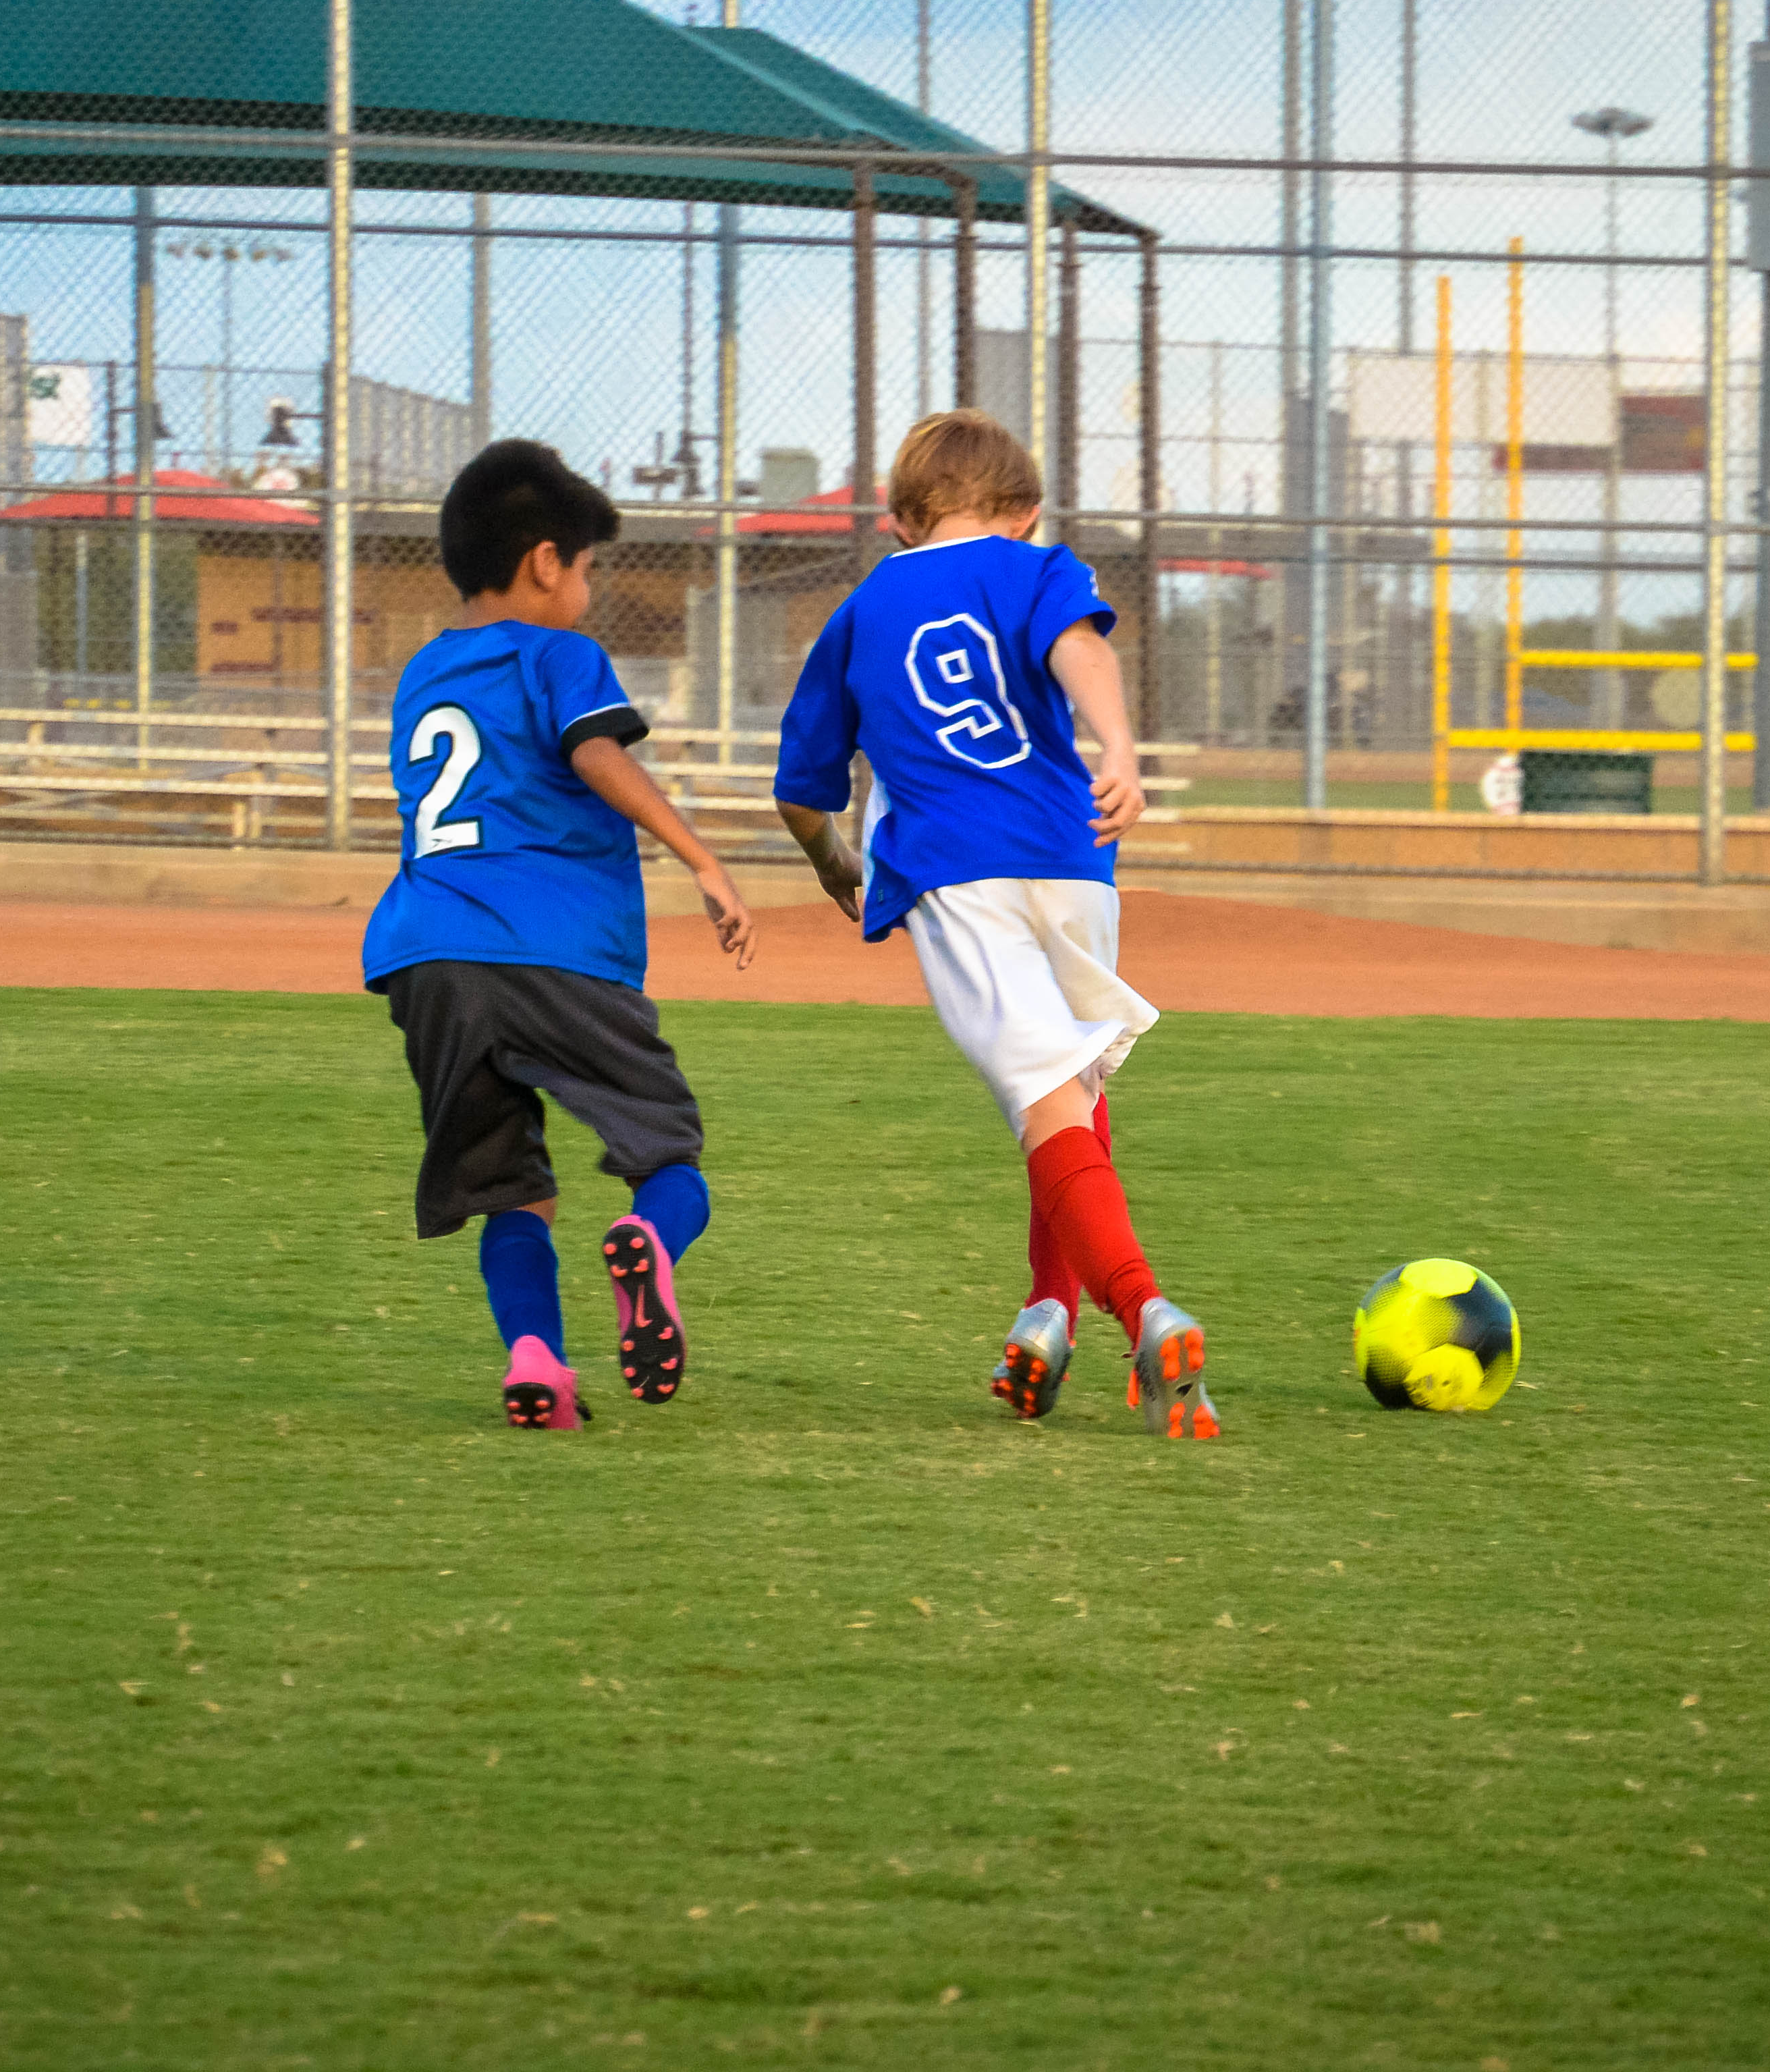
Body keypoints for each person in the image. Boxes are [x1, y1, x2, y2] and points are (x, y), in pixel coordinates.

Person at [771, 410, 1217, 1439]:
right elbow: (1081, 652)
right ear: (1026, 513)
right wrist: (1119, 752)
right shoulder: (1037, 569)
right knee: (1070, 1082)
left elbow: (803, 791)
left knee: (1046, 1102)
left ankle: (1144, 1308)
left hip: (955, 878)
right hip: (1074, 859)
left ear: (897, 521)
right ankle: (1047, 1313)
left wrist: (833, 859)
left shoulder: (862, 610)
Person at [363, 439, 754, 1432]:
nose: (587, 589)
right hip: (556, 949)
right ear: (545, 562)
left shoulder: (422, 674)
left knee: (510, 1189)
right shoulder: (561, 655)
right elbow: (593, 753)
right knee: (670, 1158)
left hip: (429, 958)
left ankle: (536, 1362)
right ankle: (650, 1246)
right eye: (586, 568)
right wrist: (700, 858)